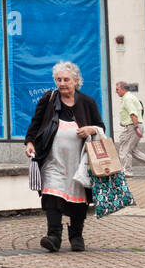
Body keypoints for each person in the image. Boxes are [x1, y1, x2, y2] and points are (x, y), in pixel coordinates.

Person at [24, 60, 106, 253]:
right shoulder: (49, 99)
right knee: (51, 195)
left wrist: (90, 129)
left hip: (79, 162)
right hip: (53, 160)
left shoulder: (87, 102)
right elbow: (35, 124)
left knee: (79, 199)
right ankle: (53, 236)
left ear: (76, 81)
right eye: (58, 79)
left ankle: (76, 235)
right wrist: (29, 143)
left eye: (66, 80)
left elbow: (101, 127)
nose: (62, 83)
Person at [114, 81, 145, 178]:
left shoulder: (127, 98)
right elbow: (133, 113)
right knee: (133, 150)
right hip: (134, 125)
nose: (116, 91)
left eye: (117, 89)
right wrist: (125, 122)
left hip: (132, 127)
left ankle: (127, 172)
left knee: (124, 150)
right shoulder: (130, 97)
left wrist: (135, 128)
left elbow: (133, 113)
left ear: (123, 89)